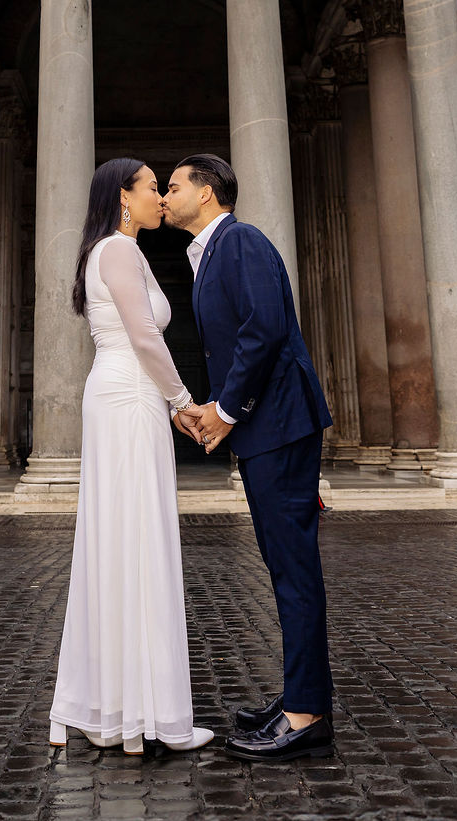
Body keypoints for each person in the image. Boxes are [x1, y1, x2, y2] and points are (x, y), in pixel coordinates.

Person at [166, 154, 337, 762]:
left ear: (207, 193)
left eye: (174, 185)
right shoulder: (215, 249)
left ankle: (306, 714)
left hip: (281, 424)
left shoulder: (241, 241)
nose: (165, 195)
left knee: (294, 568)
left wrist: (225, 409)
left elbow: (264, 330)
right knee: (285, 566)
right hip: (269, 425)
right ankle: (299, 697)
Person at [47, 158, 216, 757]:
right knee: (136, 542)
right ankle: (145, 712)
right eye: (152, 189)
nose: (162, 199)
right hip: (129, 396)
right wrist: (185, 401)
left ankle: (114, 706)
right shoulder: (117, 251)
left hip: (124, 394)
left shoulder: (116, 251)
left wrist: (170, 402)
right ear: (124, 197)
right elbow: (146, 336)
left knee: (120, 544)